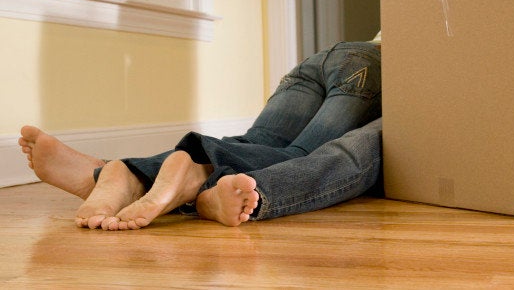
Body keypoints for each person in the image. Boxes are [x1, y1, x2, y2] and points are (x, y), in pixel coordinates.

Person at [19, 38, 383, 230]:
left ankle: (120, 173)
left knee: (258, 143)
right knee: (303, 152)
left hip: (325, 59)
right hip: (378, 68)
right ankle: (199, 177)